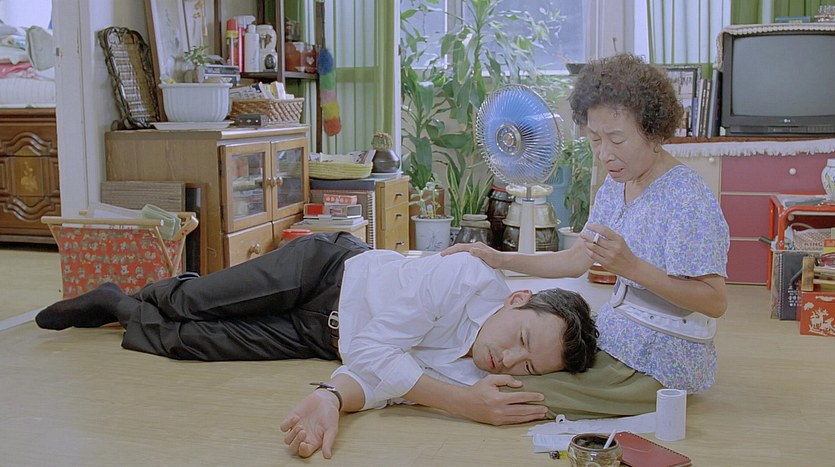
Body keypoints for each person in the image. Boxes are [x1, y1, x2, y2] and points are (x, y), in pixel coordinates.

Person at [35, 231, 599, 459]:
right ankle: (148, 292)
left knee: (187, 342)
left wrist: (329, 397)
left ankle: (114, 302)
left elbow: (380, 381)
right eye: (521, 339)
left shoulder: (478, 375)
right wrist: (464, 405)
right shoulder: (464, 277)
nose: (510, 360)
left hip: (322, 337)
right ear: (517, 299)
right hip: (324, 272)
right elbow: (379, 351)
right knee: (192, 302)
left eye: (527, 367)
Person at [444, 53, 730, 420]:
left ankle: (426, 388)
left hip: (657, 359)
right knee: (506, 371)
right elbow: (576, 259)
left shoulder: (687, 199)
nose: (604, 154)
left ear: (654, 131)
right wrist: (499, 258)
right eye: (595, 139)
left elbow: (714, 301)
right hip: (614, 338)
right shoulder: (616, 186)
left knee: (512, 389)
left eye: (616, 139)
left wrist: (632, 268)